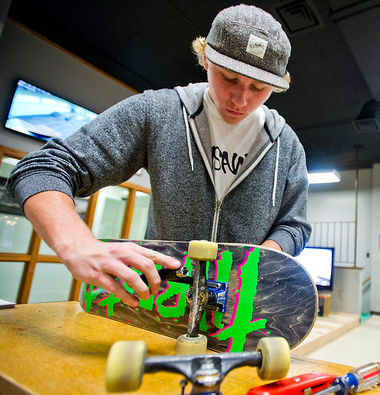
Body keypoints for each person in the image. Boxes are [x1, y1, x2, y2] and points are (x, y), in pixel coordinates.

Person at [6, 4, 311, 308]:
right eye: (229, 78)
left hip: (241, 309)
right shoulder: (158, 112)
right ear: (205, 58)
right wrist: (77, 244)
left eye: (258, 87)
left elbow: (294, 225)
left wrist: (254, 265)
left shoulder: (287, 145)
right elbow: (41, 168)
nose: (241, 99)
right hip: (161, 302)